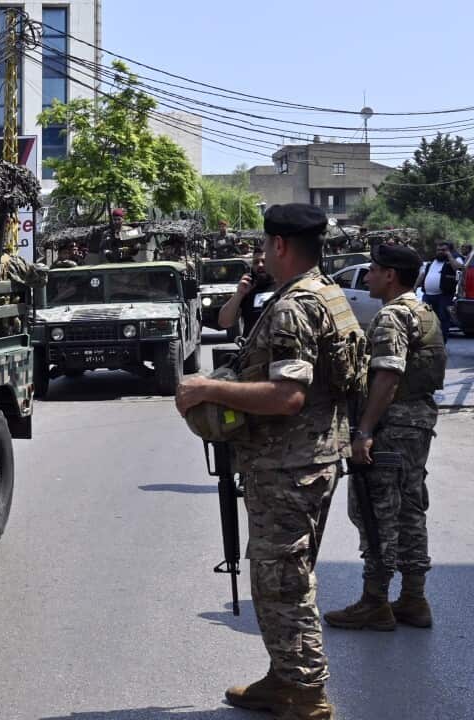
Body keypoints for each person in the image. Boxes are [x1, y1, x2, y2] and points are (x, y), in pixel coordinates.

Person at [176, 204, 360, 720]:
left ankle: (304, 690)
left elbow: (287, 397)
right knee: (286, 575)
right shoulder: (327, 293)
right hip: (312, 457)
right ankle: (283, 676)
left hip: (289, 466)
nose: (261, 254)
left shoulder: (292, 306)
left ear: (279, 245)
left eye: (264, 245)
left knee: (283, 581)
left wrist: (208, 388)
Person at [324, 244, 445, 631]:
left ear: (390, 275)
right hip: (417, 425)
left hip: (392, 427)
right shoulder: (423, 311)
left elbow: (388, 376)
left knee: (377, 509)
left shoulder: (393, 316)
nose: (369, 276)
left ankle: (375, 600)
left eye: (374, 270)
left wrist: (364, 431)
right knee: (410, 508)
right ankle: (413, 597)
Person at [218, 247, 276, 339]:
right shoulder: (247, 290)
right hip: (253, 351)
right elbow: (224, 322)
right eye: (256, 262)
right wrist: (239, 293)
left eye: (264, 261)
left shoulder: (284, 287)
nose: (260, 265)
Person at [416, 242, 463, 341]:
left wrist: (449, 256)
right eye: (438, 250)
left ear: (449, 251)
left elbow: (458, 268)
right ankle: (427, 343)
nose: (440, 252)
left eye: (443, 250)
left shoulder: (455, 258)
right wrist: (415, 287)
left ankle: (441, 343)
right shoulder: (432, 261)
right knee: (425, 319)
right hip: (427, 296)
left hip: (444, 296)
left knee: (443, 319)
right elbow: (422, 274)